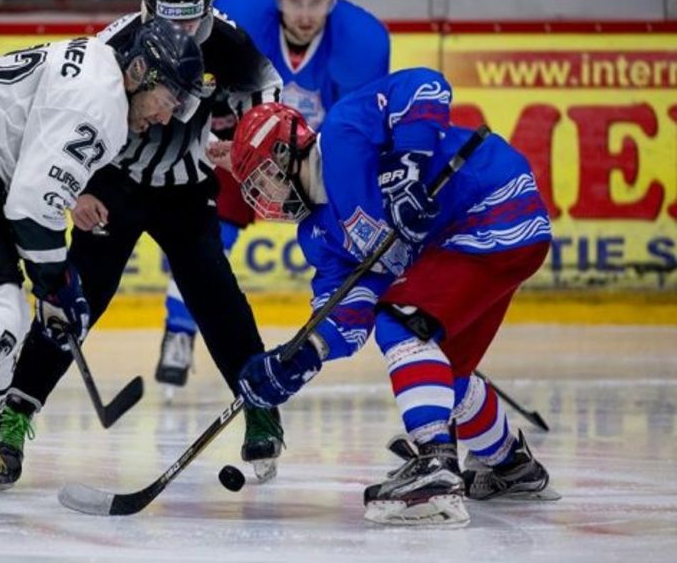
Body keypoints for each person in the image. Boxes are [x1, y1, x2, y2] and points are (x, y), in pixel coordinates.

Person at [0, 18, 207, 517]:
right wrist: (57, 285)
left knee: (6, 304)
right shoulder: (100, 103)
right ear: (138, 70)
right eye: (169, 98)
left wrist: (57, 278)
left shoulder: (97, 66)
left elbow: (35, 165)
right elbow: (31, 208)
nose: (167, 116)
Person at [0, 0, 289, 484]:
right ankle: (13, 418)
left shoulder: (229, 44)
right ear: (146, 6)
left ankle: (259, 403)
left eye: (192, 19)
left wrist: (241, 144)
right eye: (168, 21)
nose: (182, 32)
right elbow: (62, 125)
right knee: (76, 298)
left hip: (185, 188)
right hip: (114, 183)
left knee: (215, 295)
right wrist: (74, 192)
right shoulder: (111, 46)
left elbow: (269, 107)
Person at [225, 67, 559, 526]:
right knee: (445, 373)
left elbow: (425, 86)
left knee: (402, 322)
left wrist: (409, 166)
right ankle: (511, 466)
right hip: (477, 242)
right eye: (255, 191)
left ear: (285, 151)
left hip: (495, 202)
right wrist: (301, 356)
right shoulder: (318, 235)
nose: (266, 198)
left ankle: (435, 467)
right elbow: (347, 309)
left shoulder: (343, 131)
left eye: (265, 180)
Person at [153, 0, 391, 395]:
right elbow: (200, 85)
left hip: (314, 161)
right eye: (295, 0)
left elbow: (358, 133)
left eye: (316, 1)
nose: (304, 13)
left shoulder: (362, 42)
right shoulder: (237, 12)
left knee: (354, 243)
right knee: (207, 231)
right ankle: (179, 329)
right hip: (243, 148)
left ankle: (406, 326)